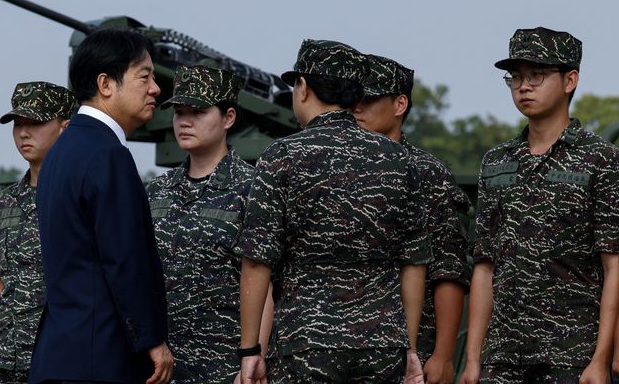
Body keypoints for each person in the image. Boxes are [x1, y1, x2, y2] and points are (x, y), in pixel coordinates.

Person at [234, 39, 430, 384]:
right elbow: (414, 262)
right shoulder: (399, 160)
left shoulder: (281, 156)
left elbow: (256, 261)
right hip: (382, 347)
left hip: (305, 343)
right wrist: (409, 348)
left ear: (304, 88)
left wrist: (251, 351)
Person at [461, 27, 619, 384]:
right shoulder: (496, 161)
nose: (524, 86)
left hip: (572, 357)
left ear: (570, 80)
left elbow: (614, 266)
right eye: (515, 77)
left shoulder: (601, 160)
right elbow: (484, 266)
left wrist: (601, 360)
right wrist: (473, 360)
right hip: (502, 358)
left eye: (537, 75)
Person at [29, 29, 173, 384]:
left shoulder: (61, 153)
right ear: (106, 84)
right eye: (145, 76)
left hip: (61, 354)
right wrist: (152, 339)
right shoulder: (108, 155)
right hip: (102, 359)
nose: (155, 88)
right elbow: (125, 258)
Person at [146, 65, 272, 383]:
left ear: (228, 117)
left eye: (198, 112)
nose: (185, 121)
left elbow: (266, 281)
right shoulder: (154, 192)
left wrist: (255, 356)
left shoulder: (253, 189)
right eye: (179, 112)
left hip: (227, 366)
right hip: (162, 367)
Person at [353, 54, 470, 384]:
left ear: (400, 103)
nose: (356, 109)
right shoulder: (338, 171)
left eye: (368, 99)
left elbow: (449, 270)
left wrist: (444, 356)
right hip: (345, 348)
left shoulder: (428, 173)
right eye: (352, 100)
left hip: (411, 352)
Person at [0, 82, 77, 384]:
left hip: (60, 360)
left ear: (64, 127)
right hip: (4, 360)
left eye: (36, 123)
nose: (24, 133)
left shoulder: (81, 195)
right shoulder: (6, 201)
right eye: (18, 124)